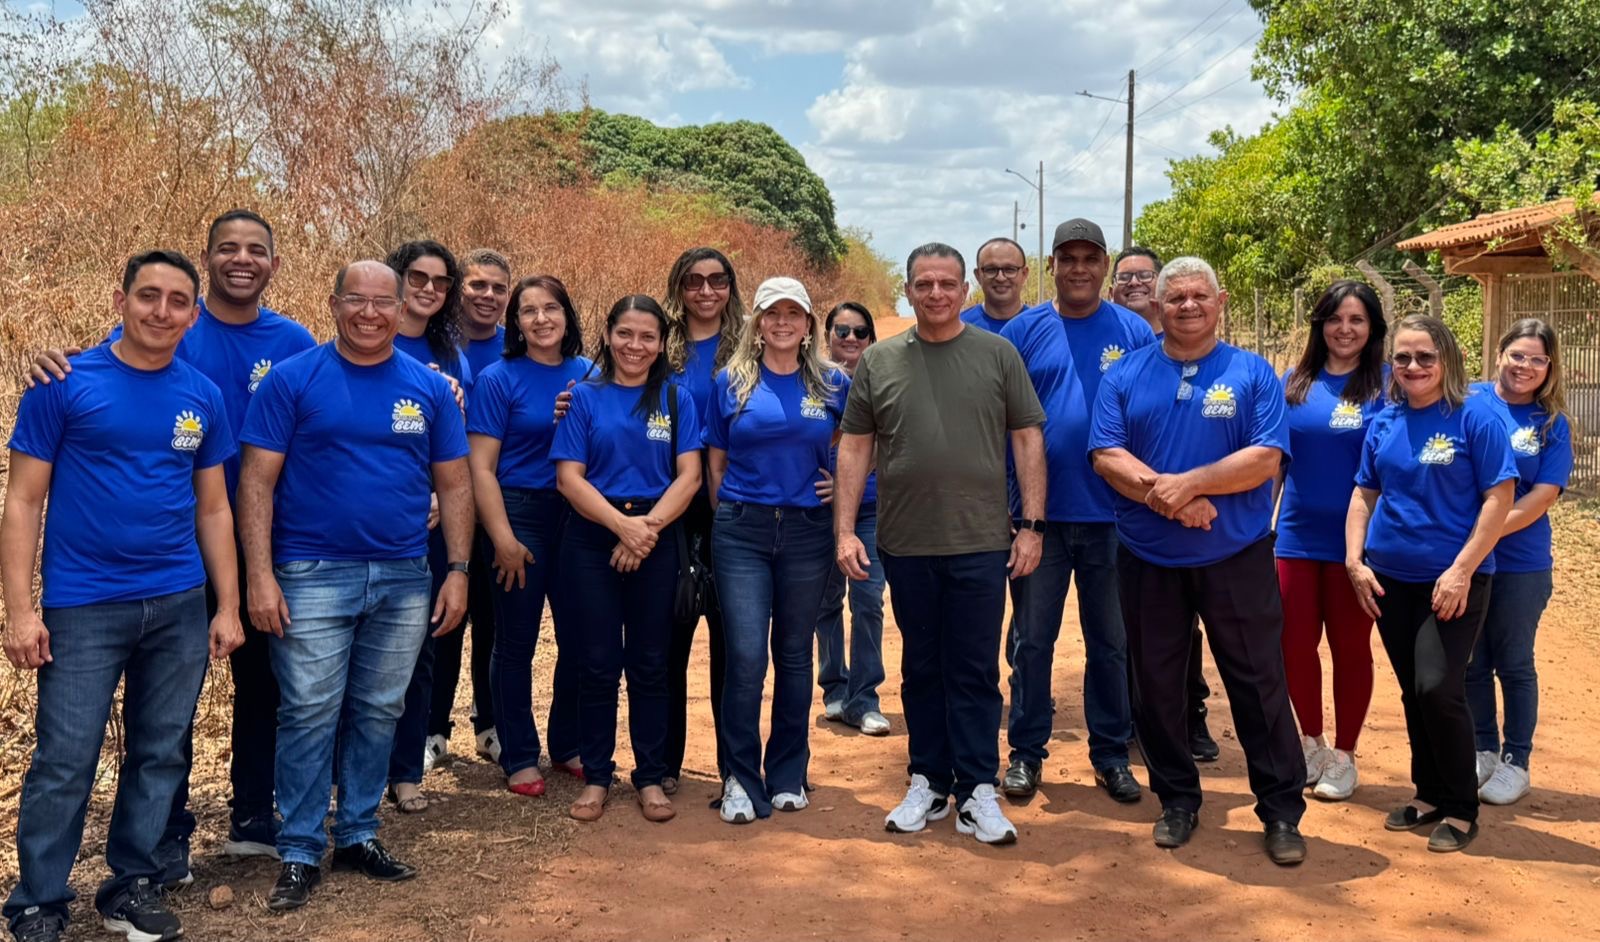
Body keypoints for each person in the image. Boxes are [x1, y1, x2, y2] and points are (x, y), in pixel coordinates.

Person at [24, 210, 316, 883]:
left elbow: (328, 404)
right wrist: (48, 358)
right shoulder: (160, 331)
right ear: (207, 259)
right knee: (140, 726)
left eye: (256, 251)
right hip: (152, 562)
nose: (241, 260)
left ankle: (250, 819)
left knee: (259, 688)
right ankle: (161, 841)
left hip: (260, 539)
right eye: (227, 249)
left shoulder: (294, 342)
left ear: (274, 265)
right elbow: (102, 377)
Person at [1, 251, 241, 942]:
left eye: (176, 302)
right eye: (148, 296)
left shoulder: (202, 395)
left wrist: (225, 604)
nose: (161, 312)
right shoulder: (63, 384)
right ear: (121, 299)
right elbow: (21, 501)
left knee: (161, 750)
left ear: (194, 315)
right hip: (84, 607)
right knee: (65, 757)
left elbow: (215, 510)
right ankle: (39, 901)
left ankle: (130, 885)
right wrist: (20, 612)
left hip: (177, 603)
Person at [238, 259, 472, 910]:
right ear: (334, 303)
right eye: (355, 301)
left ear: (402, 310)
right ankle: (301, 849)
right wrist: (259, 574)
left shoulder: (427, 387)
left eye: (382, 303)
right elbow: (255, 481)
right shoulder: (292, 380)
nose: (369, 313)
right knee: (310, 710)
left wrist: (457, 569)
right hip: (310, 573)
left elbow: (454, 482)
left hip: (403, 576)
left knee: (378, 709)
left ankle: (360, 834)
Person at [1088, 256, 1308, 865]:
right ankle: (1177, 799)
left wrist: (1189, 485)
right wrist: (1178, 500)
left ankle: (1281, 811)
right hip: (1147, 555)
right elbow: (1107, 455)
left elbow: (1266, 458)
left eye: (1198, 296)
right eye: (1175, 298)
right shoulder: (1126, 373)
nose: (1187, 306)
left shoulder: (1251, 373)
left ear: (1221, 301)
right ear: (1156, 307)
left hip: (1234, 555)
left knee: (1257, 682)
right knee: (1157, 684)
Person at [837, 242, 1047, 846]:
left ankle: (977, 788)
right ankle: (928, 779)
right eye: (923, 284)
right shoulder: (880, 361)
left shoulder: (998, 354)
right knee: (923, 667)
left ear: (965, 290)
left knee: (976, 669)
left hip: (982, 541)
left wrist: (1032, 525)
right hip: (906, 543)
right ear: (908, 290)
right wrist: (846, 530)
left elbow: (1028, 438)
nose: (935, 294)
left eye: (947, 284)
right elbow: (855, 447)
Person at [1345, 314, 1516, 853]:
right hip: (1390, 580)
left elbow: (1500, 498)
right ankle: (1429, 793)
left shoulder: (1475, 418)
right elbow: (1363, 496)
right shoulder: (1385, 421)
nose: (1413, 366)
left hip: (1455, 581)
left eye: (1424, 356)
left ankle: (1461, 806)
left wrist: (1461, 569)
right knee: (1413, 692)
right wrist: (1355, 561)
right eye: (1402, 357)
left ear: (1446, 359)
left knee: (1438, 690)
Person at [999, 219, 1153, 804]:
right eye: (1069, 258)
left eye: (1091, 258)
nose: (1080, 268)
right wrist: (1009, 510)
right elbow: (999, 420)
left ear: (1106, 265)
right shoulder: (1024, 330)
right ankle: (1026, 754)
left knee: (1110, 642)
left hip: (1116, 519)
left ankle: (1112, 753)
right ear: (1052, 266)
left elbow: (1153, 415)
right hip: (1039, 520)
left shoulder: (1135, 331)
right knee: (1032, 642)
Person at [551, 295, 702, 824]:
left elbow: (690, 475)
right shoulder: (584, 398)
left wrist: (647, 530)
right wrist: (622, 528)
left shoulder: (677, 398)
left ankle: (650, 777)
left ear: (662, 344)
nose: (635, 346)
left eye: (648, 337)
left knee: (650, 664)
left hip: (657, 536)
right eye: (625, 334)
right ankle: (596, 776)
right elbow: (568, 477)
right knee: (595, 663)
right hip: (593, 538)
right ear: (608, 335)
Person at [707, 277, 846, 823]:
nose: (783, 322)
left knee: (793, 655)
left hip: (808, 531)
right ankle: (740, 777)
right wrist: (736, 509)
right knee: (745, 657)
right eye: (772, 313)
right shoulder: (731, 382)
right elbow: (715, 463)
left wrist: (841, 484)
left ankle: (788, 772)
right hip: (742, 530)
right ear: (757, 323)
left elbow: (864, 443)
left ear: (809, 324)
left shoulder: (832, 384)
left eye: (794, 313)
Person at [469, 275, 591, 795]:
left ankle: (566, 744)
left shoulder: (590, 373)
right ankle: (519, 753)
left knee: (580, 638)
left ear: (568, 315)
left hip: (580, 514)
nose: (541, 319)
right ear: (515, 323)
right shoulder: (499, 378)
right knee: (514, 640)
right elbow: (481, 468)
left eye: (551, 308)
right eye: (528, 311)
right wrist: (502, 537)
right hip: (520, 512)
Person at [1276, 281, 1388, 802]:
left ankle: (1344, 755)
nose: (1345, 329)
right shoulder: (1294, 383)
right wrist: (1263, 525)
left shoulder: (1389, 386)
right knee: (1294, 644)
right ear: (1319, 325)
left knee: (1349, 647)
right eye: (1335, 319)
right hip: (1295, 537)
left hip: (1358, 546)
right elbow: (1275, 462)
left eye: (1357, 320)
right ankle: (1311, 744)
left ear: (1373, 329)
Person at [1113, 245, 1219, 764]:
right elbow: (1107, 449)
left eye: (1144, 277)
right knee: (1133, 632)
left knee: (1186, 631)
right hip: (1119, 514)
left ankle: (1190, 716)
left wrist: (1184, 497)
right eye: (1126, 278)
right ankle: (1136, 722)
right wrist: (1177, 499)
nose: (1135, 285)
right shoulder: (1125, 354)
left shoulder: (1195, 347)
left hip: (1191, 526)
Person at [384, 240, 479, 811]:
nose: (427, 289)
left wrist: (445, 501)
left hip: (431, 523)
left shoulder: (451, 350)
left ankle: (406, 769)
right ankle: (354, 774)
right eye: (416, 276)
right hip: (366, 524)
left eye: (440, 282)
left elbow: (456, 445)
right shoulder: (366, 334)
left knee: (418, 652)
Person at [1467, 319, 1572, 805]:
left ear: (1549, 368)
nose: (1525, 366)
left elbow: (1542, 497)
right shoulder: (1468, 401)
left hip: (1519, 562)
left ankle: (1517, 760)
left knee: (1512, 660)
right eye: (1518, 355)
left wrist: (1483, 535)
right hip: (1463, 557)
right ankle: (1483, 749)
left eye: (1537, 359)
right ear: (1500, 353)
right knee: (1471, 659)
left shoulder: (1551, 423)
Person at [660, 247, 748, 792]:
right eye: (693, 281)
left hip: (733, 510)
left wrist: (830, 470)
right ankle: (664, 764)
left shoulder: (752, 344)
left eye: (717, 280)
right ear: (679, 287)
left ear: (731, 287)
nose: (706, 291)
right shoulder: (657, 345)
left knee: (731, 643)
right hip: (669, 508)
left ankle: (732, 766)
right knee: (668, 637)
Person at [814, 303, 889, 735]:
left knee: (868, 598)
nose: (850, 338)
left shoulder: (881, 380)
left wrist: (850, 480)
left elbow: (882, 439)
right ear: (827, 335)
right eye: (841, 330)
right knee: (825, 602)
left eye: (860, 331)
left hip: (872, 507)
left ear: (871, 339)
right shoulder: (811, 381)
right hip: (817, 511)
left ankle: (865, 697)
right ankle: (834, 687)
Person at [456, 249, 514, 766]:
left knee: (492, 620)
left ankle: (489, 723)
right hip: (441, 505)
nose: (487, 296)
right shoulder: (438, 342)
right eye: (477, 285)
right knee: (444, 620)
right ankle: (431, 730)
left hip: (497, 501)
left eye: (497, 288)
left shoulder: (512, 350)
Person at [961, 238, 1033, 333]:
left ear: (1024, 274)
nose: (1000, 278)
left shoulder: (1040, 327)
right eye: (991, 269)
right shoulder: (959, 327)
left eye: (1009, 269)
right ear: (978, 275)